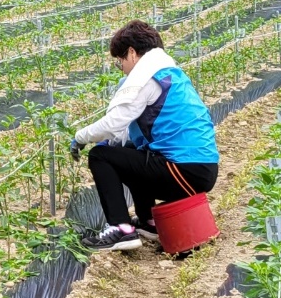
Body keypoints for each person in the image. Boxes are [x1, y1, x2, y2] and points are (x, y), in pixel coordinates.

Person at [69, 20, 218, 251]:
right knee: (129, 151)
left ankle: (121, 229)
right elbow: (126, 128)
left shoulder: (146, 76)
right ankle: (149, 222)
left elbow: (115, 121)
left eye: (120, 61)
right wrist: (112, 142)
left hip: (186, 170)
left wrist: (81, 137)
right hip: (198, 168)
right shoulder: (167, 72)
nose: (122, 67)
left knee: (100, 155)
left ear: (131, 52)